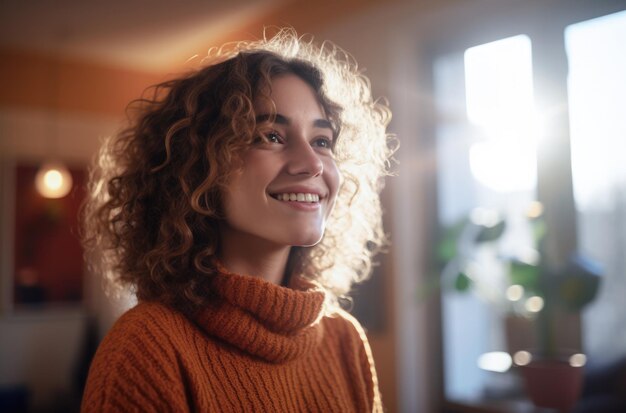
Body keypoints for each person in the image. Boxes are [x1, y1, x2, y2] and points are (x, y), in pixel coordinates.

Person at [81, 28, 394, 412]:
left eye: (322, 141)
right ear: (197, 167)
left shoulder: (345, 339)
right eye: (271, 136)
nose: (312, 163)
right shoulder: (147, 347)